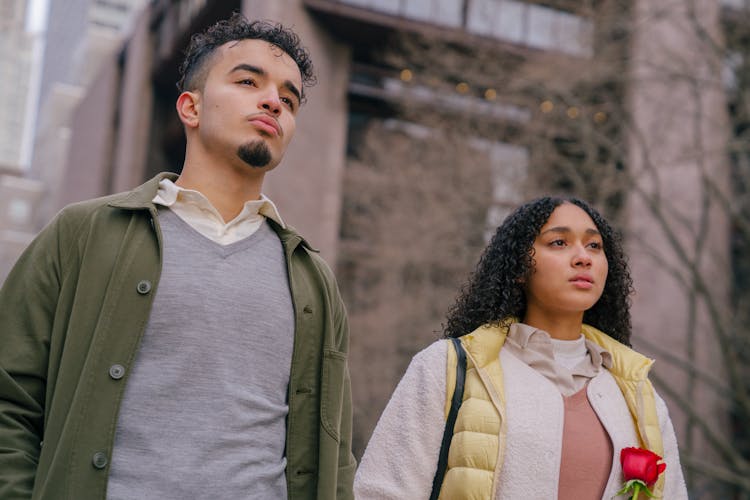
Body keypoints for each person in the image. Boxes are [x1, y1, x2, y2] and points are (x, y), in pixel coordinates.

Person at [0, 13, 355, 500]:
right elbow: (9, 403)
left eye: (289, 99)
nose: (273, 101)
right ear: (190, 107)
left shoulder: (313, 281)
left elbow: (334, 453)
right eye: (248, 81)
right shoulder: (82, 234)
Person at [354, 196, 688, 499]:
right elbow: (381, 493)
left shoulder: (637, 393)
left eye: (594, 246)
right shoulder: (448, 367)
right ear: (518, 268)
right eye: (559, 242)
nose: (583, 257)